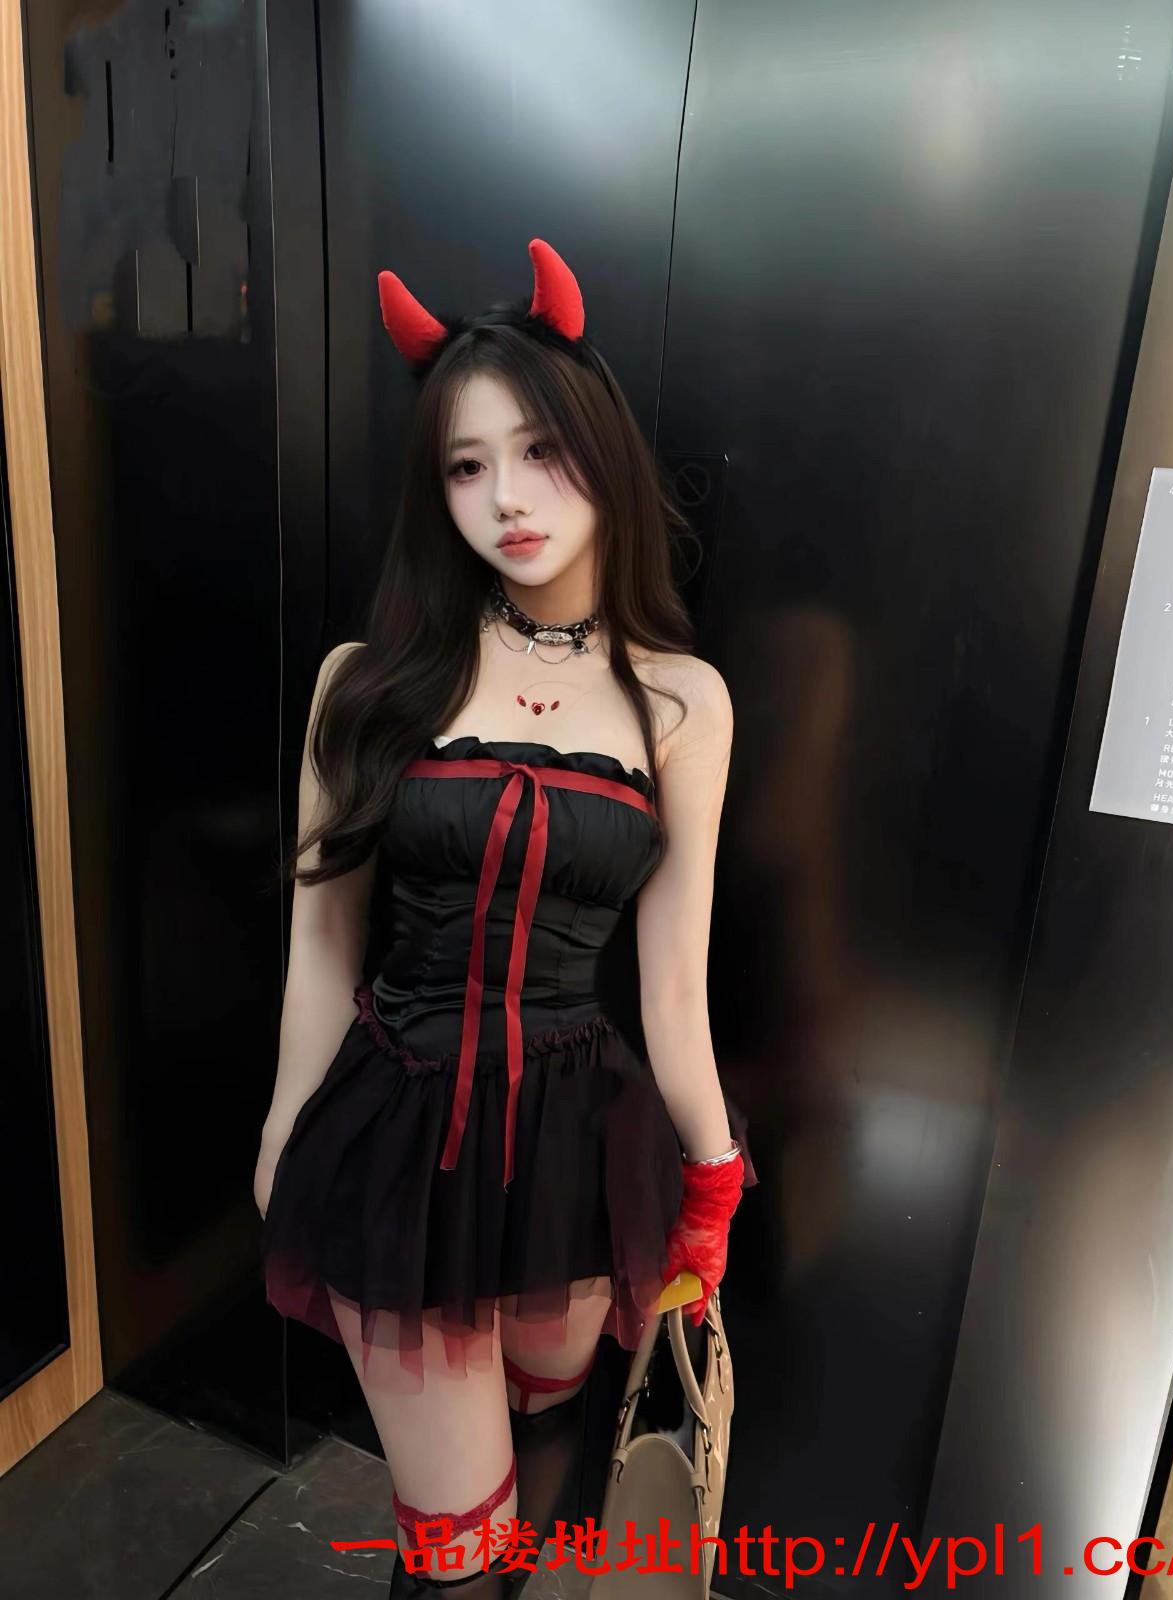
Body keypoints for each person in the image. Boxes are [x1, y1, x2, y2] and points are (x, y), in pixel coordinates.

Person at [255, 238, 758, 1599]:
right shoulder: (367, 682)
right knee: (457, 1555)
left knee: (550, 1458)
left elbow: (673, 984)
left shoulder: (681, 700)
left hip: (577, 1156)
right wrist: (283, 1130)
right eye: (466, 467)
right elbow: (321, 943)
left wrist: (711, 1182)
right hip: (395, 1141)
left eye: (538, 451)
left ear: (601, 451)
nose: (507, 498)